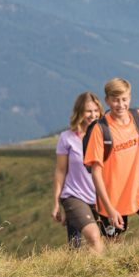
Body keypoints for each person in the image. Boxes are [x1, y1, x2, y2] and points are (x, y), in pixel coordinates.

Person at [84, 77, 139, 244]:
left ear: (130, 98)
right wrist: (109, 208)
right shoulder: (99, 129)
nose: (120, 104)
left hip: (137, 184)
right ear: (107, 101)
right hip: (111, 193)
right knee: (114, 244)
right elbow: (96, 172)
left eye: (124, 99)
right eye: (115, 100)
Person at [52, 91, 106, 254]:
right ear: (80, 112)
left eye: (96, 111)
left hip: (98, 197)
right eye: (88, 111)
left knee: (108, 242)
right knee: (94, 237)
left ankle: (77, 270)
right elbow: (60, 171)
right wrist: (56, 202)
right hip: (74, 195)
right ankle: (99, 276)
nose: (93, 115)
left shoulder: (105, 136)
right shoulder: (67, 138)